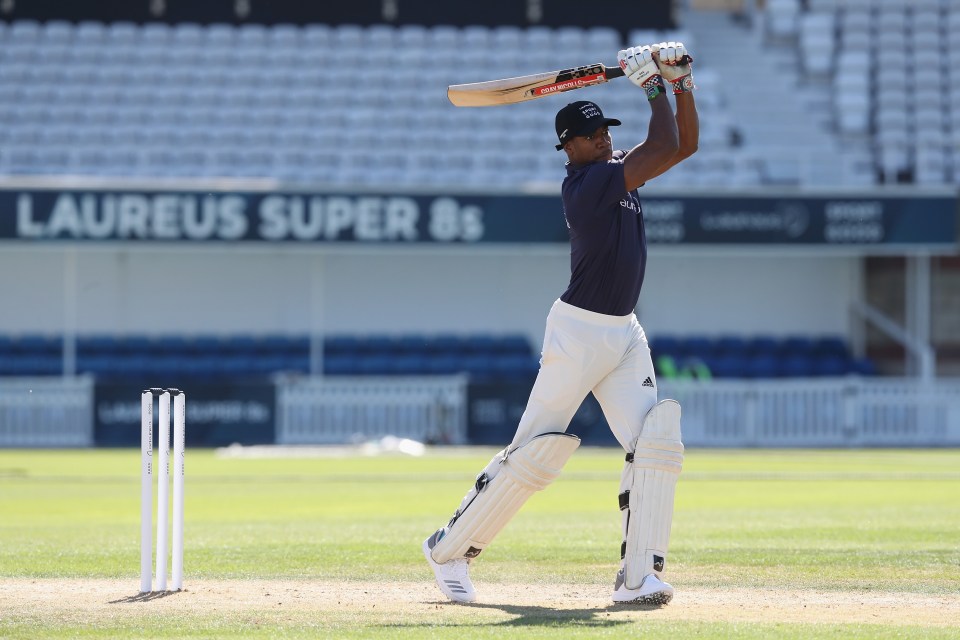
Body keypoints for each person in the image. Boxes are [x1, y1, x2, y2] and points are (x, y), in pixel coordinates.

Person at [423, 43, 699, 605]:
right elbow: (667, 143)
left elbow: (685, 144)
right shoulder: (590, 184)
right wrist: (652, 86)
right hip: (577, 335)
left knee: (655, 445)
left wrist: (681, 84)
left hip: (623, 332)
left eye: (606, 131)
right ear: (568, 147)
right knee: (534, 453)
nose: (603, 139)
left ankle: (637, 577)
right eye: (592, 134)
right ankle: (448, 550)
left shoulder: (617, 173)